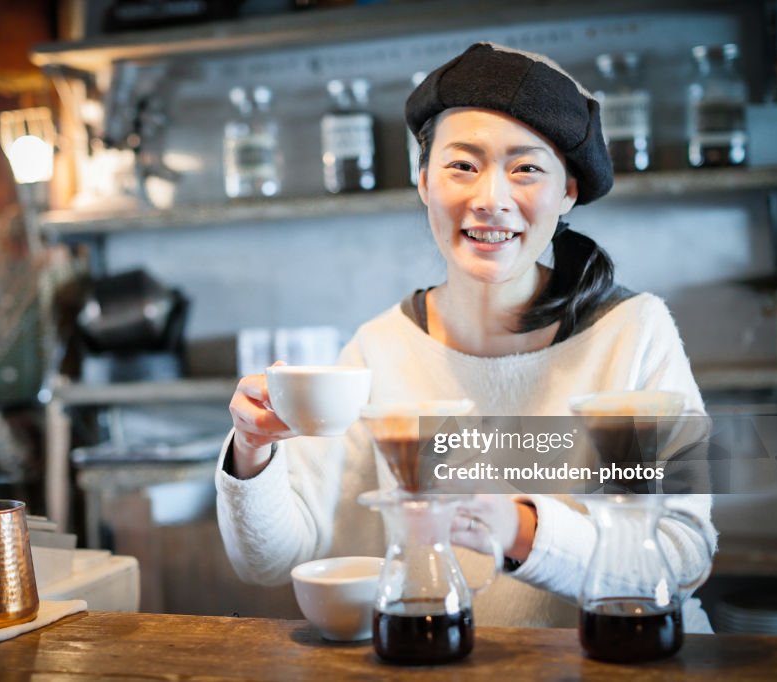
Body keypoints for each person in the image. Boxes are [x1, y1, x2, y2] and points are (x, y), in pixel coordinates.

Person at [216, 43, 717, 631]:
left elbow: (681, 555)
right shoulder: (380, 349)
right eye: (463, 165)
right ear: (424, 180)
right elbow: (273, 560)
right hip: (434, 659)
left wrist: (521, 531)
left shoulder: (630, 335)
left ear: (568, 192)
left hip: (619, 660)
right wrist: (252, 451)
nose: (490, 199)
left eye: (526, 168)